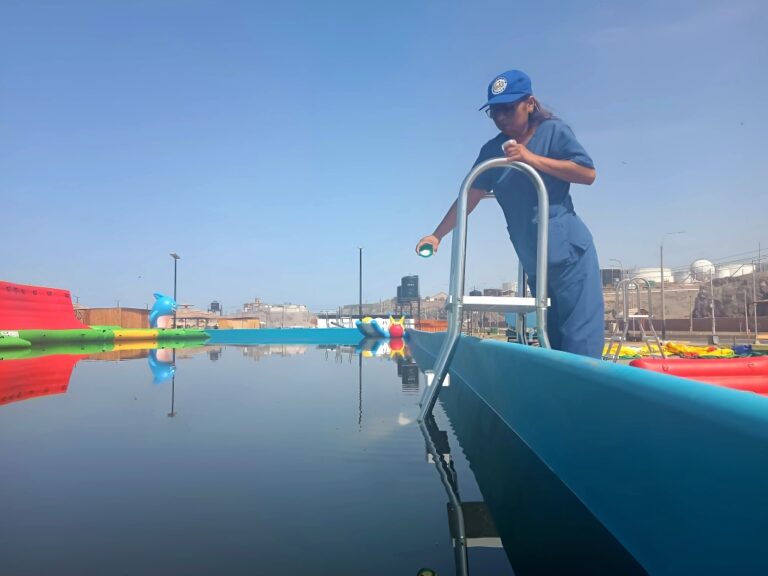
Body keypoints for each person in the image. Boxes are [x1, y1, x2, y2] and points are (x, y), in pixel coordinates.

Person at [415, 69, 604, 358]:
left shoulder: (554, 131)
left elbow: (587, 173)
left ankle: (587, 398)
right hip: (534, 261)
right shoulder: (492, 151)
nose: (501, 117)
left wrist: (532, 159)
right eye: (494, 112)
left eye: (507, 108)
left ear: (529, 103)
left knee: (580, 343)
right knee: (552, 343)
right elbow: (469, 198)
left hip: (570, 255)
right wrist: (437, 235)